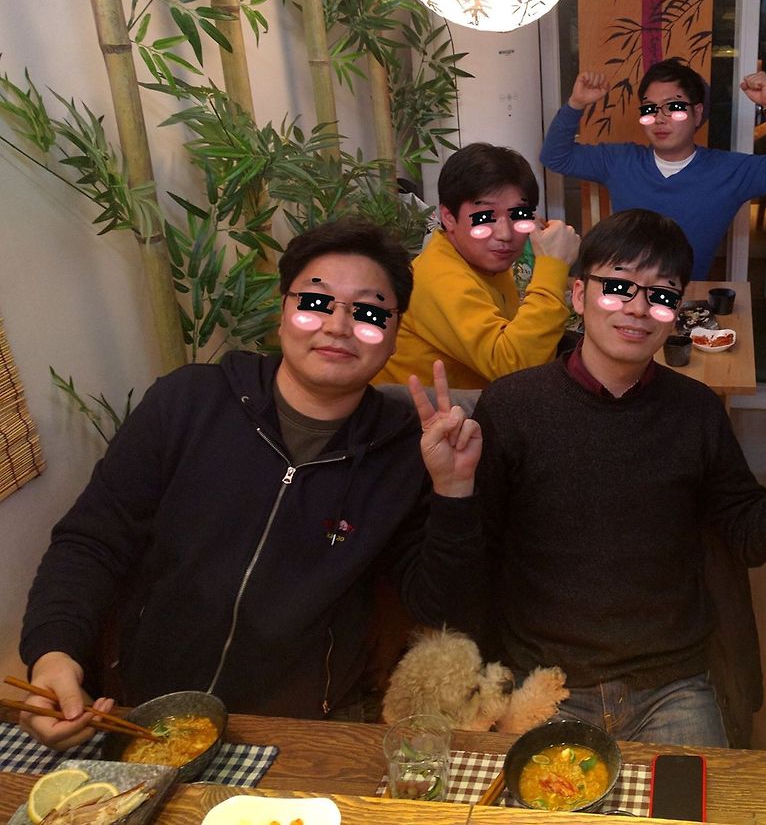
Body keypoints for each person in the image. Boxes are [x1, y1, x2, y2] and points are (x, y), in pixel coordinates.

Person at [20, 219, 483, 747]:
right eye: (316, 302)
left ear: (395, 335)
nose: (338, 326)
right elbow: (92, 541)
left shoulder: (404, 450)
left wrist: (453, 490)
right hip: (146, 709)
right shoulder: (188, 402)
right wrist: (53, 653)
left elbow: (441, 609)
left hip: (305, 727)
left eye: (370, 313)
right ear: (282, 311)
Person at [471, 208, 766, 746]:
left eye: (662, 295)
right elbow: (473, 553)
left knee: (698, 794)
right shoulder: (512, 407)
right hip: (544, 682)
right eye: (617, 286)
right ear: (577, 295)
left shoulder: (697, 410)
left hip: (672, 683)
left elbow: (745, 535)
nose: (638, 308)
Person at [539, 59, 766, 280]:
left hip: (683, 300)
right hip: (622, 294)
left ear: (697, 113)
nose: (659, 118)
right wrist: (576, 104)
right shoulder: (620, 160)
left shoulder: (727, 170)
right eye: (649, 109)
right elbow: (555, 157)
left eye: (674, 107)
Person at [376, 143, 580, 390]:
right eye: (485, 217)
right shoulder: (441, 276)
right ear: (448, 217)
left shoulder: (483, 262)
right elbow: (515, 369)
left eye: (518, 215)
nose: (504, 234)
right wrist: (552, 267)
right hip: (419, 411)